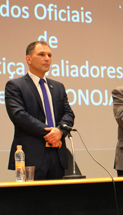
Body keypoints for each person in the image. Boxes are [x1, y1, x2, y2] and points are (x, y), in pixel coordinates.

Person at [5, 41, 75, 180]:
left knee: (59, 200)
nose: (47, 58)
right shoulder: (15, 86)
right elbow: (19, 115)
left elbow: (69, 114)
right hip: (32, 156)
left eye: (49, 55)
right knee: (32, 200)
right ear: (28, 59)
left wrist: (60, 131)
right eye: (41, 54)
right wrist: (51, 133)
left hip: (57, 154)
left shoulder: (58, 87)